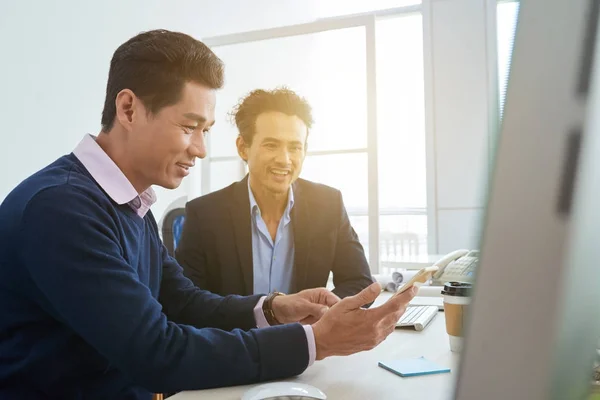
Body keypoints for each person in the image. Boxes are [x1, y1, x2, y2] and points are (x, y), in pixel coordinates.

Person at [0, 29, 417, 399]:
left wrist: (273, 308)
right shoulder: (60, 209)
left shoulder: (129, 201)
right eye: (189, 127)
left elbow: (182, 301)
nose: (200, 149)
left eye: (207, 131)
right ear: (127, 109)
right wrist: (314, 342)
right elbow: (156, 353)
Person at [176, 88, 374, 299]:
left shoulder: (327, 205)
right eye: (271, 145)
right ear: (243, 147)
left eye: (295, 147)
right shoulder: (205, 214)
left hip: (305, 331)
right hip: (236, 332)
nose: (284, 159)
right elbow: (187, 300)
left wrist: (321, 311)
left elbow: (359, 283)